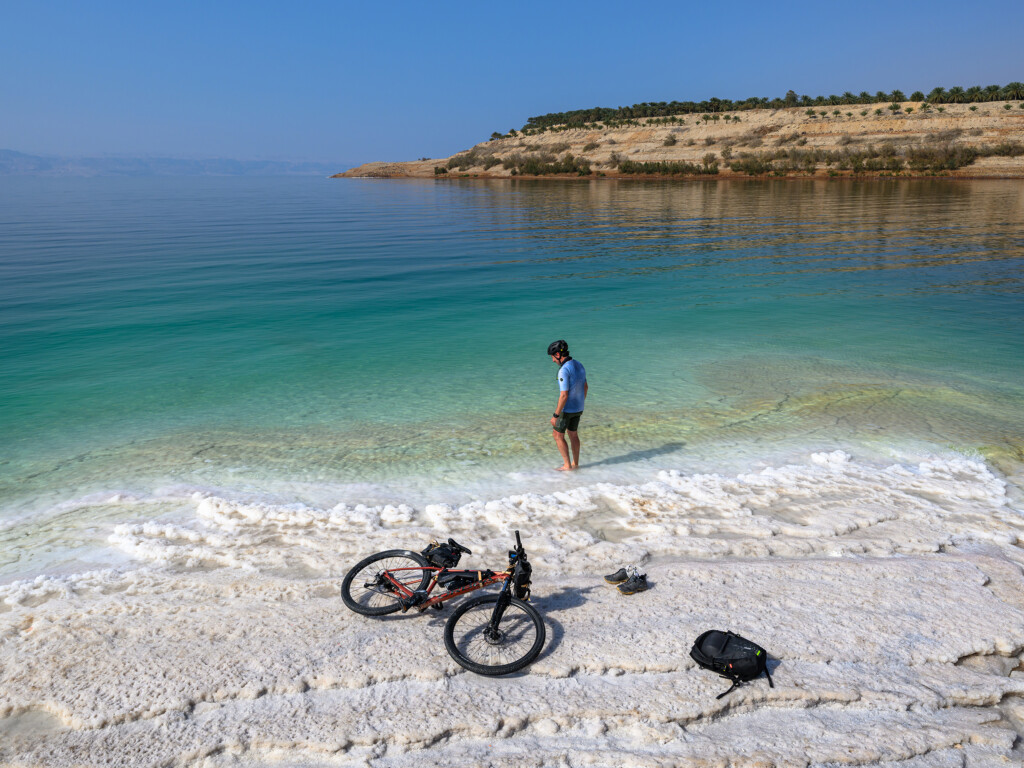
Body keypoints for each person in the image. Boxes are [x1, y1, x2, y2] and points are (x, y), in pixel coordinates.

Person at [547, 340, 587, 471]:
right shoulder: (579, 365)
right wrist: (580, 404)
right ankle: (575, 464)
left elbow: (564, 395)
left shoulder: (563, 370)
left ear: (558, 354)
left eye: (553, 357)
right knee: (573, 434)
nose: (552, 360)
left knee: (557, 435)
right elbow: (585, 387)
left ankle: (567, 465)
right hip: (579, 407)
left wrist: (555, 415)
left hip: (567, 409)